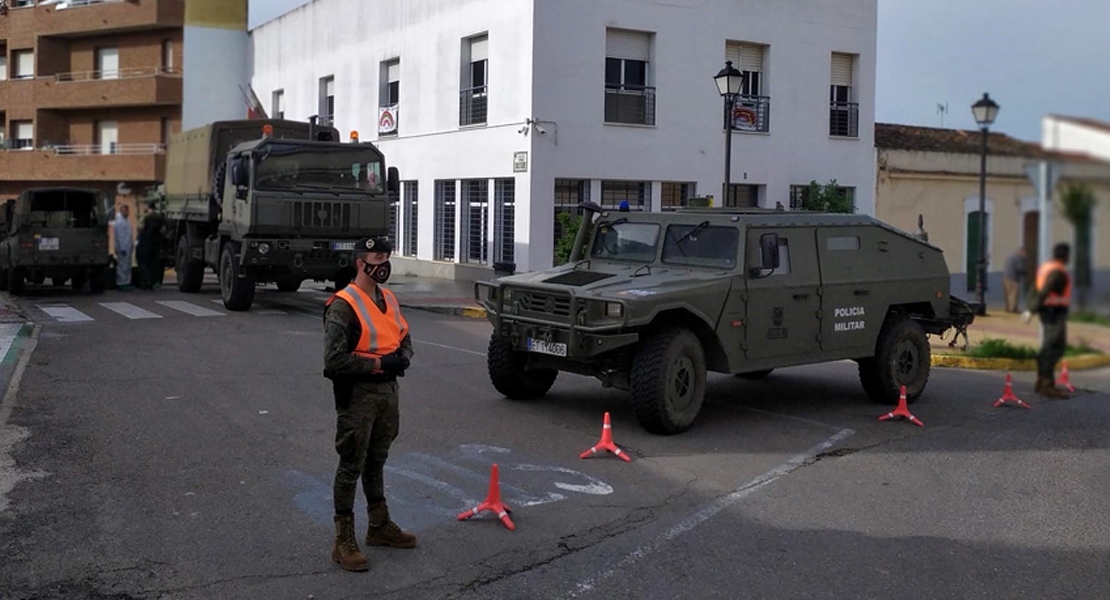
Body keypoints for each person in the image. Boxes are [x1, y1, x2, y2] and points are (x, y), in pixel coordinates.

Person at [322, 235, 416, 572]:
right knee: (351, 464)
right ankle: (343, 540)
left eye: (387, 255)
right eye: (378, 256)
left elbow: (404, 337)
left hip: (387, 393)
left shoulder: (388, 297)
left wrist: (402, 357)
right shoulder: (343, 304)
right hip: (358, 394)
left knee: (377, 460)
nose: (384, 263)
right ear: (361, 263)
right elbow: (333, 361)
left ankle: (379, 526)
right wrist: (378, 364)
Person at [1023, 242, 1072, 399]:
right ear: (1066, 256)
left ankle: (1041, 380)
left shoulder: (1047, 267)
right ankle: (1046, 384)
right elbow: (1044, 290)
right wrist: (1031, 310)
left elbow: (1035, 288)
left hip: (1048, 311)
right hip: (1053, 312)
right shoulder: (1056, 271)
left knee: (1049, 346)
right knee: (1054, 347)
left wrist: (1031, 307)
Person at [135, 200, 166, 290]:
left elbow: (140, 228)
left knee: (143, 262)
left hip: (145, 242)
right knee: (154, 262)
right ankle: (153, 281)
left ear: (148, 207)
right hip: (156, 244)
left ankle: (146, 280)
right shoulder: (160, 218)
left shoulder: (146, 217)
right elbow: (163, 231)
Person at [112, 204, 134, 290]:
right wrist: (122, 248)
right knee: (122, 266)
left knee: (127, 266)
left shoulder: (126, 221)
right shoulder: (120, 222)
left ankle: (126, 282)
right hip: (123, 248)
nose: (126, 212)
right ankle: (121, 283)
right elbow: (120, 237)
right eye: (124, 210)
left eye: (127, 210)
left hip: (127, 246)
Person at [1002, 247, 1027, 313]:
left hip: (1005, 277)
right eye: (1025, 253)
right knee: (1013, 295)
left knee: (1007, 294)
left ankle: (1007, 307)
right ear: (1022, 251)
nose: (1025, 255)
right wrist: (1025, 273)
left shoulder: (1009, 256)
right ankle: (1013, 309)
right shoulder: (1018, 258)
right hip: (1013, 278)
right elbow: (1019, 268)